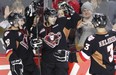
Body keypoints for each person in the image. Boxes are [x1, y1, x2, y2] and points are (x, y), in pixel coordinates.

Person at [30, 6, 81, 75]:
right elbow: (32, 40)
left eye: (55, 16)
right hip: (47, 61)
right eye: (52, 17)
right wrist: (34, 43)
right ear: (46, 17)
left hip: (60, 61)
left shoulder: (60, 21)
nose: (54, 19)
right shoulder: (39, 28)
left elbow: (75, 21)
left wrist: (72, 12)